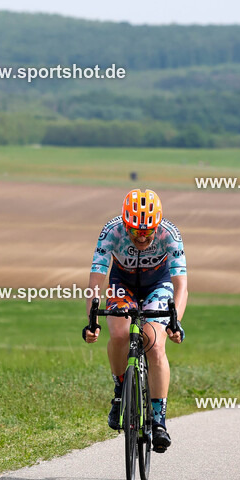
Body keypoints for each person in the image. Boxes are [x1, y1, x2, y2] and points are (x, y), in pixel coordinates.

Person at [82, 189, 187, 453]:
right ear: (125, 224)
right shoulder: (111, 232)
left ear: (157, 225)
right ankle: (120, 392)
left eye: (148, 231)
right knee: (118, 334)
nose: (142, 237)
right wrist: (92, 321)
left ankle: (159, 419)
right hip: (122, 284)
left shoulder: (169, 234)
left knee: (154, 343)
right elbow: (95, 282)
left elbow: (181, 287)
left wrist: (175, 323)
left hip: (158, 285)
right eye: (135, 231)